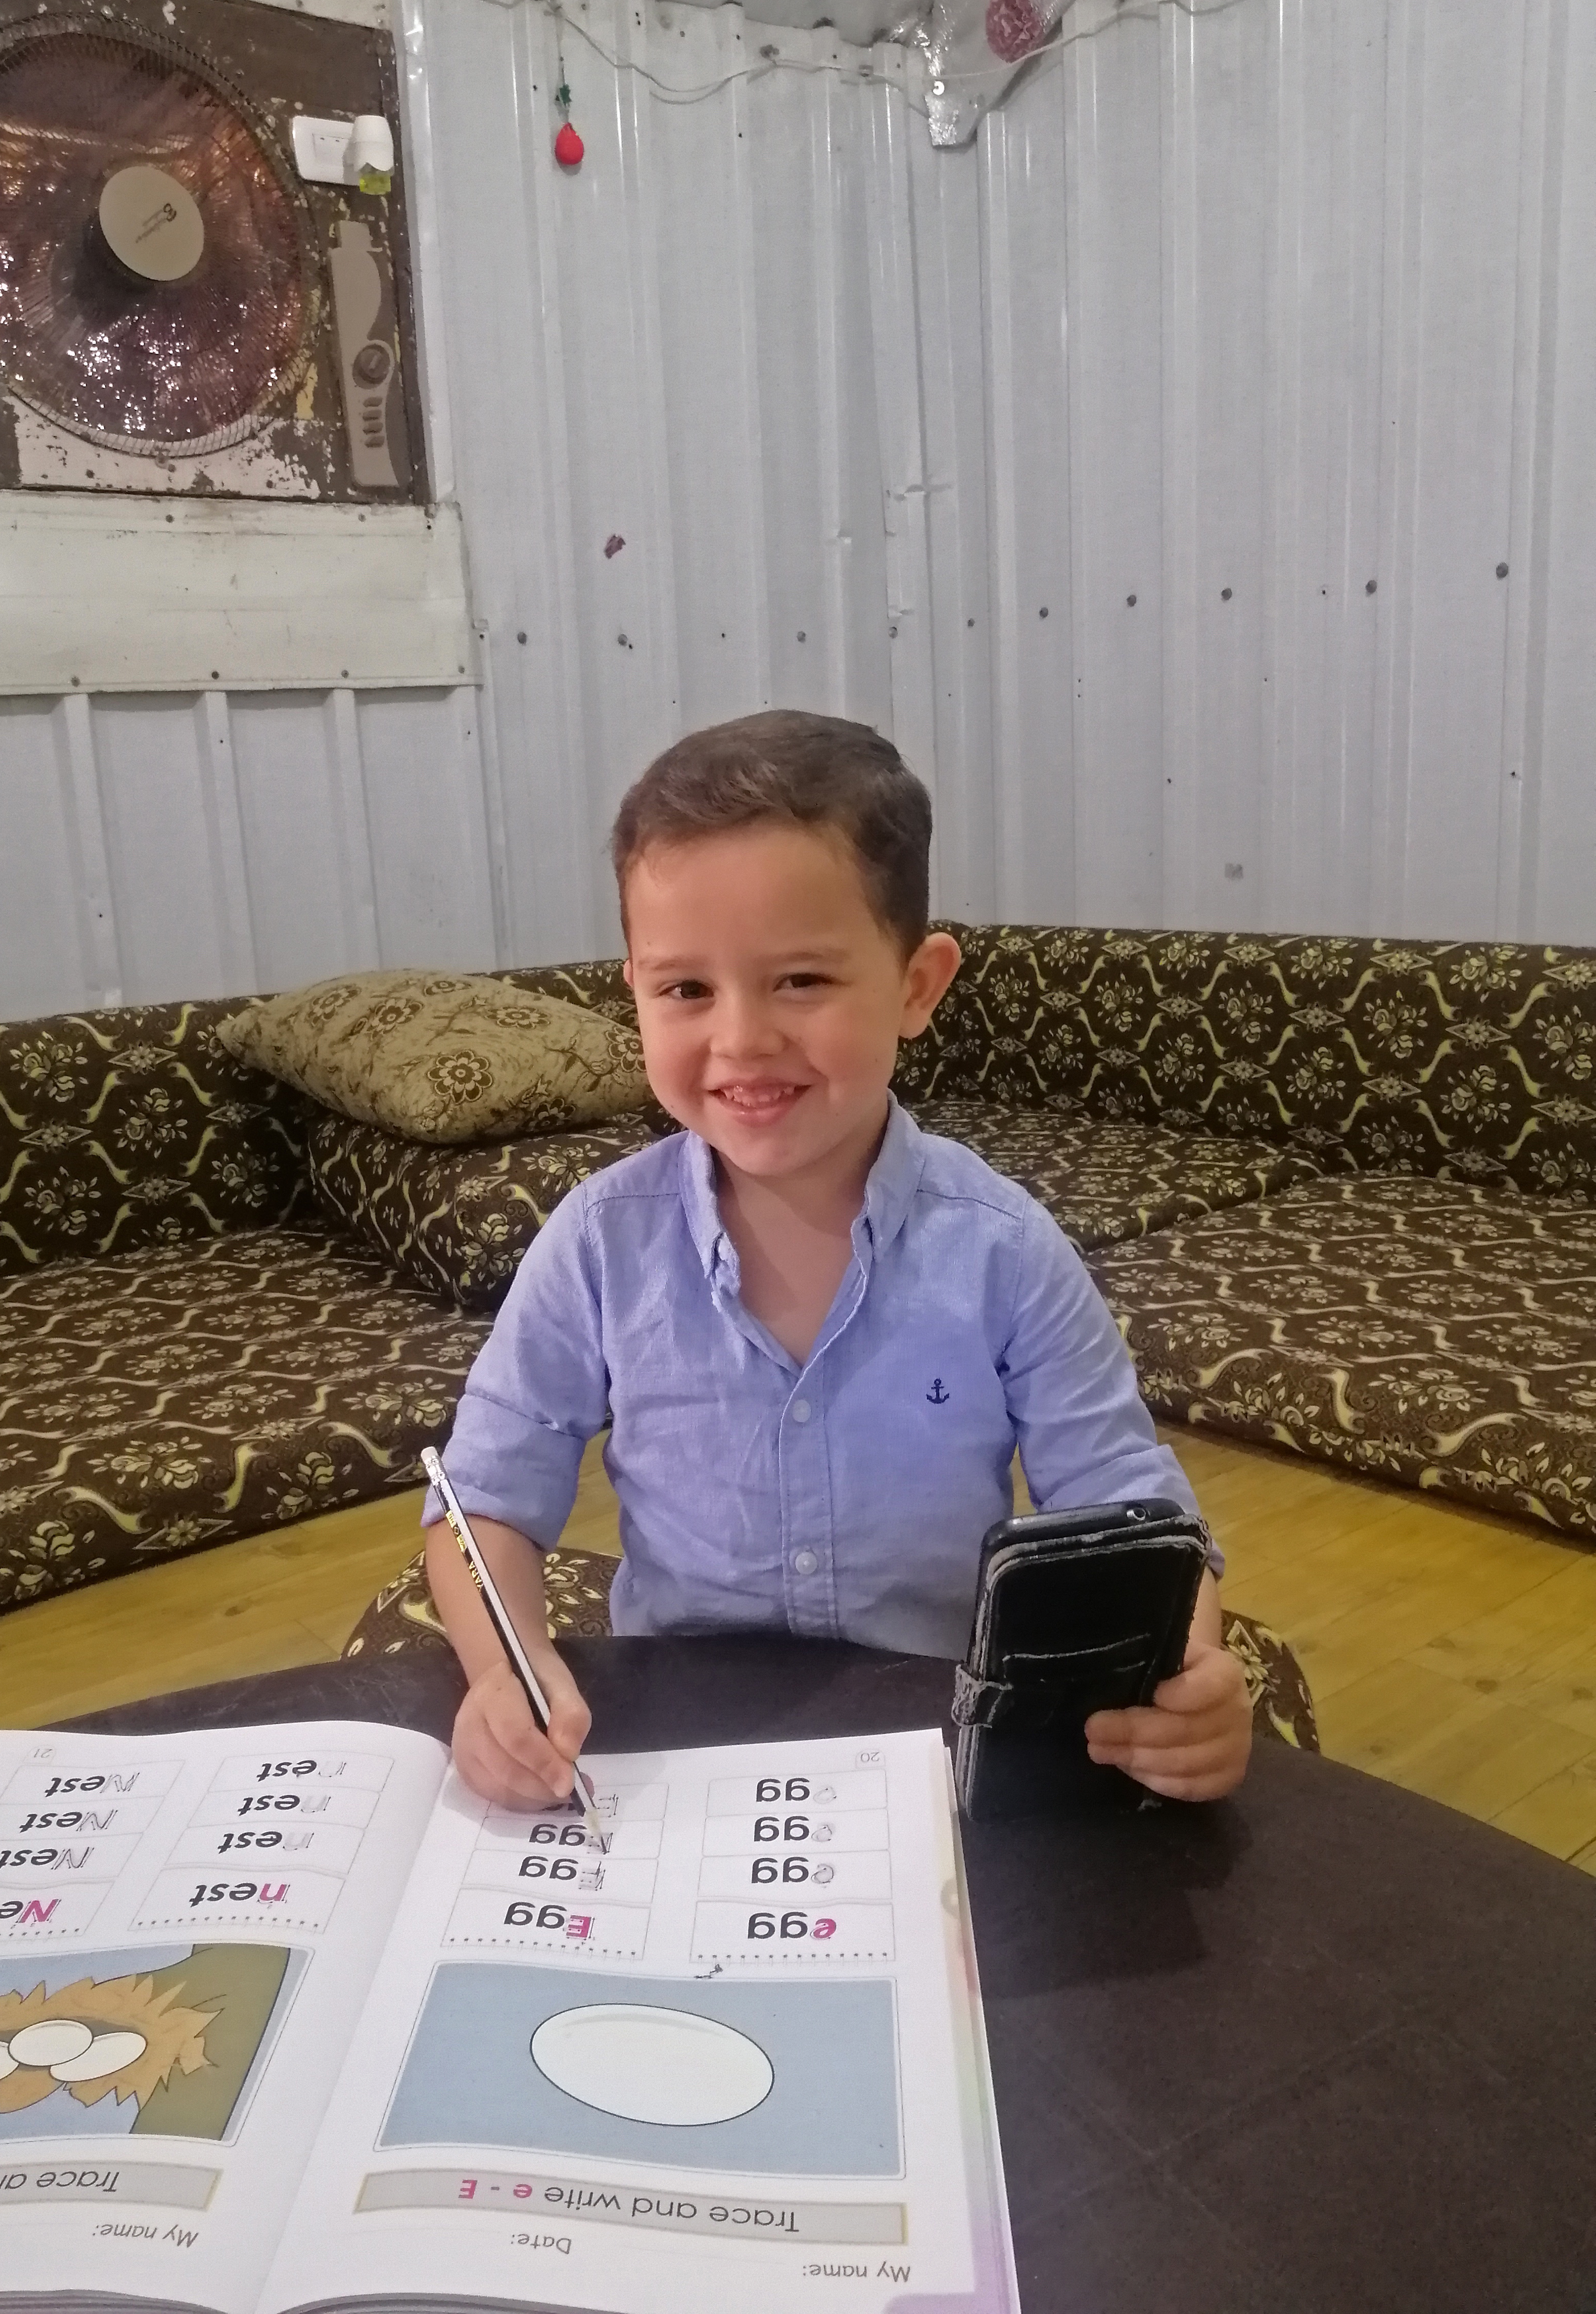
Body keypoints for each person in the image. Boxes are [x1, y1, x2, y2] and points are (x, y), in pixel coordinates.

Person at [424, 710, 1252, 1810]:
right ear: (632, 987)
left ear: (917, 984)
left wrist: (1188, 1673)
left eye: (802, 981)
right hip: (676, 1750)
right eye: (685, 990)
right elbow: (484, 1503)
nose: (742, 1040)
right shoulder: (599, 1242)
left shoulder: (1004, 1251)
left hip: (937, 1745)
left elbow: (1129, 1509)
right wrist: (503, 1675)